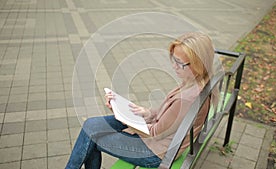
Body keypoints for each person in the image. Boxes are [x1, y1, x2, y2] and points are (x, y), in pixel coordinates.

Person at [65, 32, 216, 169]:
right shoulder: (193, 81)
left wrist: (124, 117)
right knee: (90, 125)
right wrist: (144, 112)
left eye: (179, 63)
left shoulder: (189, 98)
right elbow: (167, 116)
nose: (173, 66)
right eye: (173, 59)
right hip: (155, 134)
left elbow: (155, 133)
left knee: (93, 137)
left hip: (156, 152)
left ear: (198, 64)